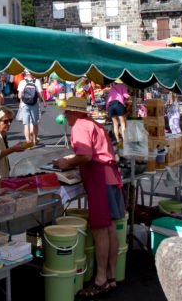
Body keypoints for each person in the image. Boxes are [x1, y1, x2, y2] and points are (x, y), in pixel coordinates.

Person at [52, 97, 125, 298]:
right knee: (109, 229)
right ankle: (110, 276)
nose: (64, 115)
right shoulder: (94, 124)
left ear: (74, 113)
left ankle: (100, 279)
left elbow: (84, 156)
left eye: (66, 112)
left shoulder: (80, 126)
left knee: (101, 230)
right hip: (109, 178)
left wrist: (65, 163)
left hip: (100, 179)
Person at [17, 70, 42, 146]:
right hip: (34, 104)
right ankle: (34, 140)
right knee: (35, 123)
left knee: (26, 124)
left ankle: (28, 142)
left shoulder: (22, 82)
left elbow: (19, 96)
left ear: (25, 74)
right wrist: (43, 101)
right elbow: (39, 94)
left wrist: (22, 100)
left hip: (25, 105)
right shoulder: (37, 81)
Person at [104, 82, 131, 147]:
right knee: (122, 123)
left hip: (110, 106)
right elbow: (125, 95)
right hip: (118, 104)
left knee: (115, 124)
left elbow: (108, 100)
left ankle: (118, 140)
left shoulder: (112, 88)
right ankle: (125, 141)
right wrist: (130, 98)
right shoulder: (122, 85)